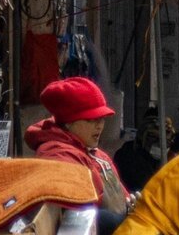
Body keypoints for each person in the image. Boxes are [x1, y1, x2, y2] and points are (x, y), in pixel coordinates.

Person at [24, 77, 127, 209]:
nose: (100, 126)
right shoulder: (57, 156)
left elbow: (124, 200)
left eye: (101, 119)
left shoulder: (97, 154)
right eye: (91, 120)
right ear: (69, 123)